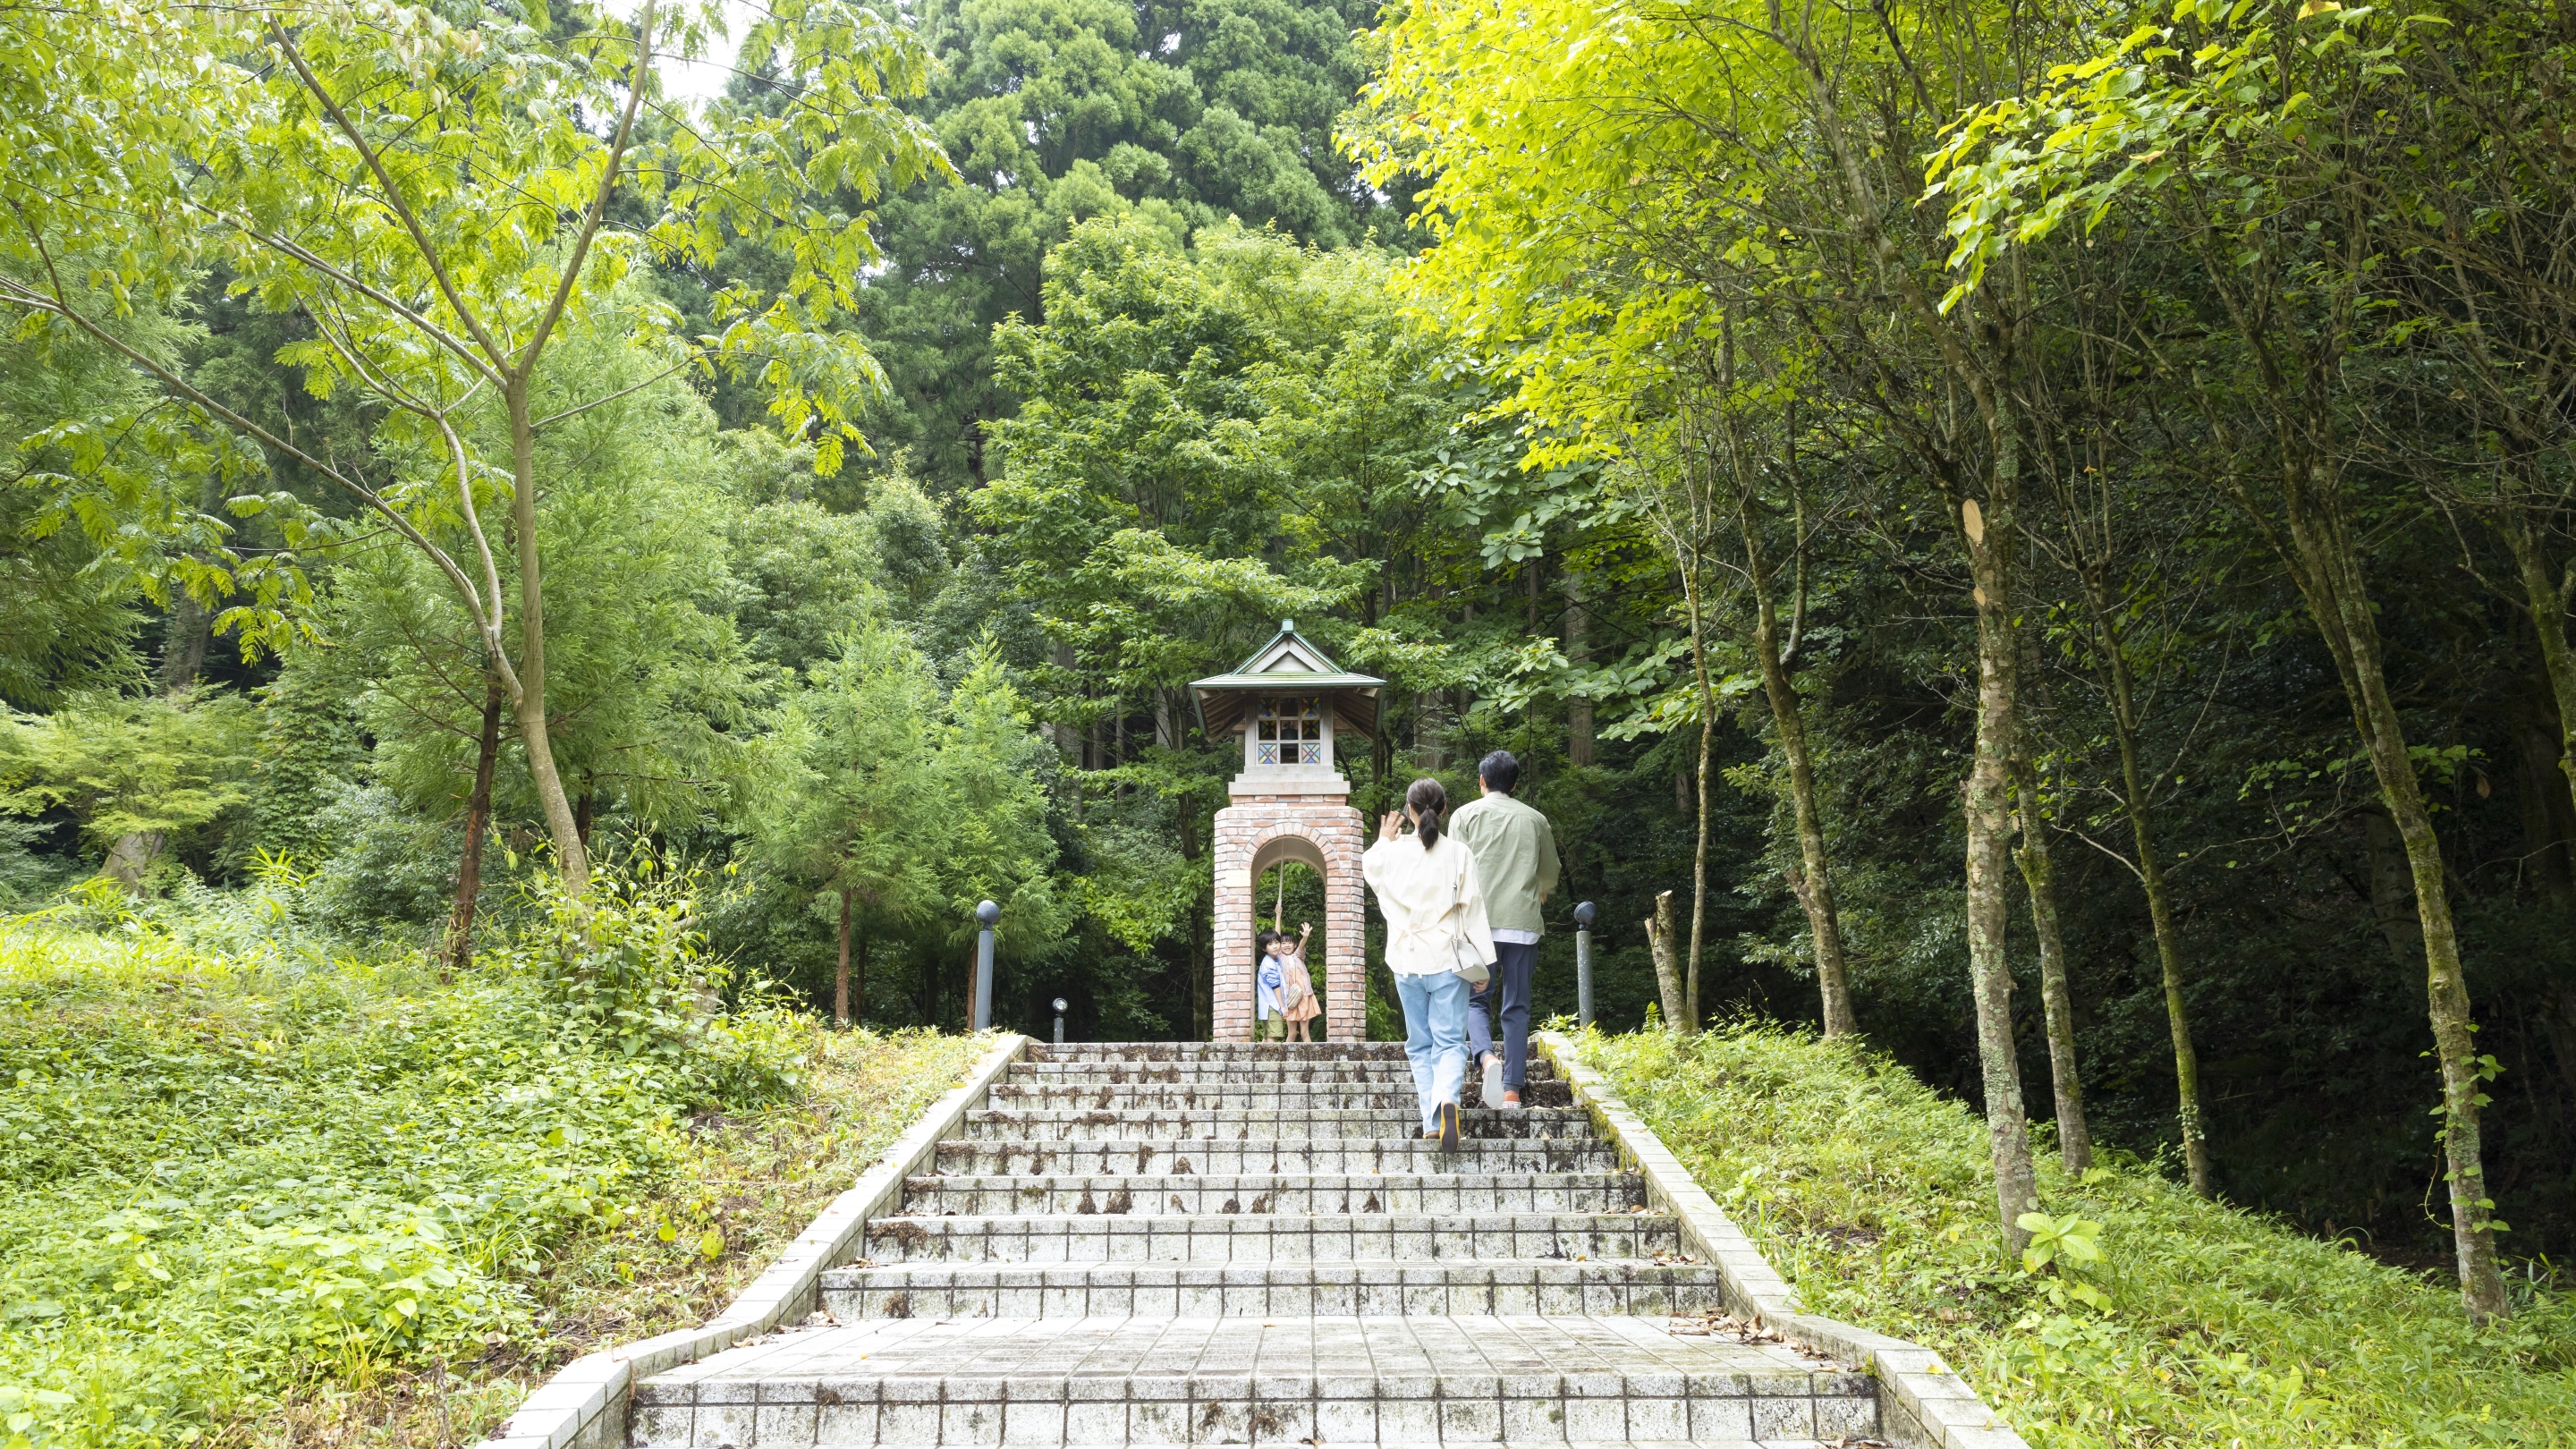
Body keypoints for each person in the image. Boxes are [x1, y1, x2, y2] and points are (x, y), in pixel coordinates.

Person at [1362, 776, 1496, 1150]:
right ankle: (1446, 1100)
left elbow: (1368, 867)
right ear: (1444, 809)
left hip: (1406, 961)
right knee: (1450, 1042)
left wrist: (1384, 839)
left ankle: (1431, 1120)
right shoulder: (1458, 853)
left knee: (1420, 1045)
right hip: (1448, 961)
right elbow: (1474, 911)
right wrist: (1484, 963)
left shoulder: (1393, 852)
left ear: (1409, 811)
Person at [1448, 750, 1561, 1110]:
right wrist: (1540, 891)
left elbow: (1452, 872)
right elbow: (1549, 874)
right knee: (1517, 1005)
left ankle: (1485, 1059)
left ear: (1482, 781)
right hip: (1522, 924)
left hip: (1477, 925)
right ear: (1514, 784)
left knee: (1474, 999)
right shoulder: (1536, 819)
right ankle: (1512, 1088)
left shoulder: (1464, 815)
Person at [1254, 923, 1316, 1041]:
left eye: (1290, 942)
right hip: (1288, 998)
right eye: (1283, 942)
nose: (1286, 945)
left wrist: (1305, 937)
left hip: (1304, 996)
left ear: (1295, 945)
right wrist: (1278, 915)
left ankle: (1309, 1058)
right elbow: (1276, 936)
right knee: (1292, 1032)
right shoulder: (1279, 957)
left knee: (1304, 1032)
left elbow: (1301, 947)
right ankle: (1287, 1059)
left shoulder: (1298, 956)